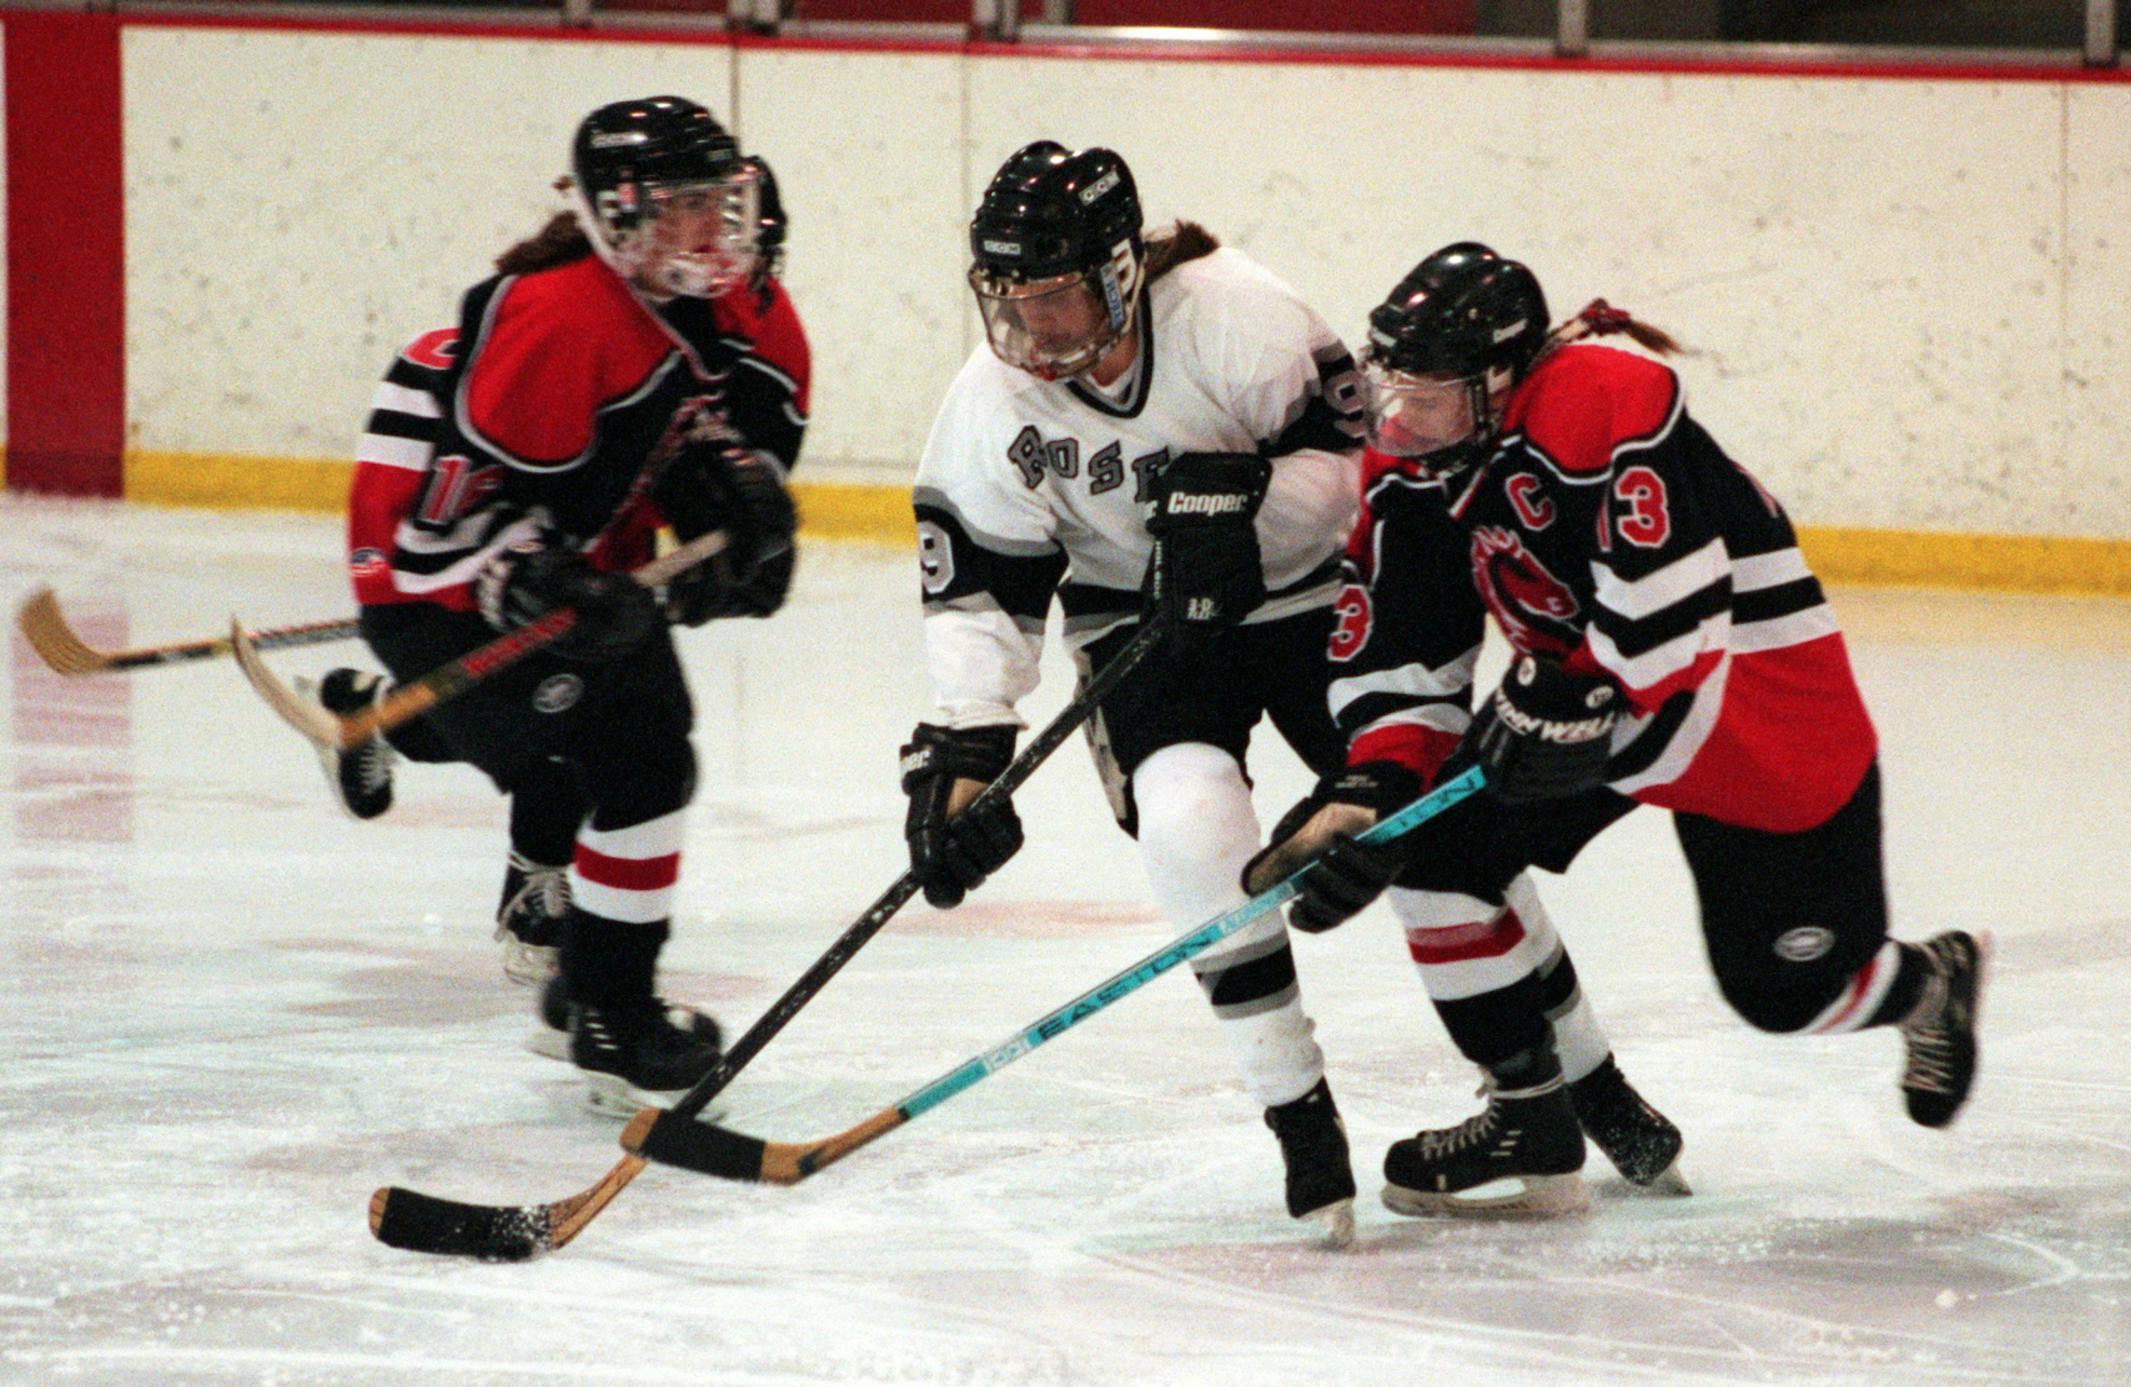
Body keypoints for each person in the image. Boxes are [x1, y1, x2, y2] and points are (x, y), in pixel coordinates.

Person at [899, 143, 1672, 1242]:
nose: (1036, 330)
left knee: (1428, 839)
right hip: (1146, 631)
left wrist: (1249, 506)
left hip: (1320, 600)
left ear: (1120, 271)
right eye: (1012, 301)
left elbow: (1375, 460)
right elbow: (982, 586)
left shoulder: (1235, 312)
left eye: (1058, 296)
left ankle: (1579, 1081)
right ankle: (1301, 1123)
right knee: (1189, 827)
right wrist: (969, 747)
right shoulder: (991, 403)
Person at [1245, 243, 1985, 1219]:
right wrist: (1372, 786)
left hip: (1749, 726)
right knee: (1424, 848)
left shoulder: (1602, 397)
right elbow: (1403, 642)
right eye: (1395, 386)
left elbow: (1676, 610)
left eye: (1426, 391)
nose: (1398, 414)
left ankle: (1928, 983)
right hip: (1598, 722)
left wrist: (1573, 695)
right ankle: (1527, 1115)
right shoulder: (1417, 462)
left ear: (1499, 380)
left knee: (1783, 993)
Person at [301, 96, 810, 1114]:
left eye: (720, 202)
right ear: (618, 218)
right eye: (683, 209)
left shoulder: (703, 310)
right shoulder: (560, 318)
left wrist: (728, 532)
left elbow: (670, 452)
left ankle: (590, 993)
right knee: (616, 755)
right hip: (436, 590)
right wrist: (523, 577)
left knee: (648, 743)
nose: (713, 231)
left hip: (553, 567)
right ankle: (607, 1013)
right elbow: (441, 523)